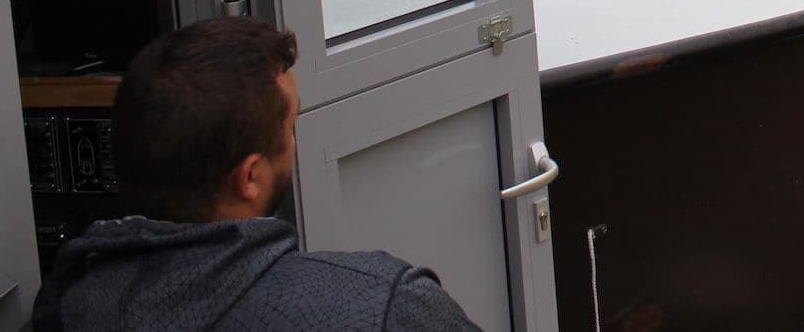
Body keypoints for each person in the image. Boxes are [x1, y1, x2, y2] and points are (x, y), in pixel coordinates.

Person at [28, 16, 480, 331]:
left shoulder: (65, 310)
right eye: (290, 128)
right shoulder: (383, 306)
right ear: (249, 178)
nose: (294, 144)